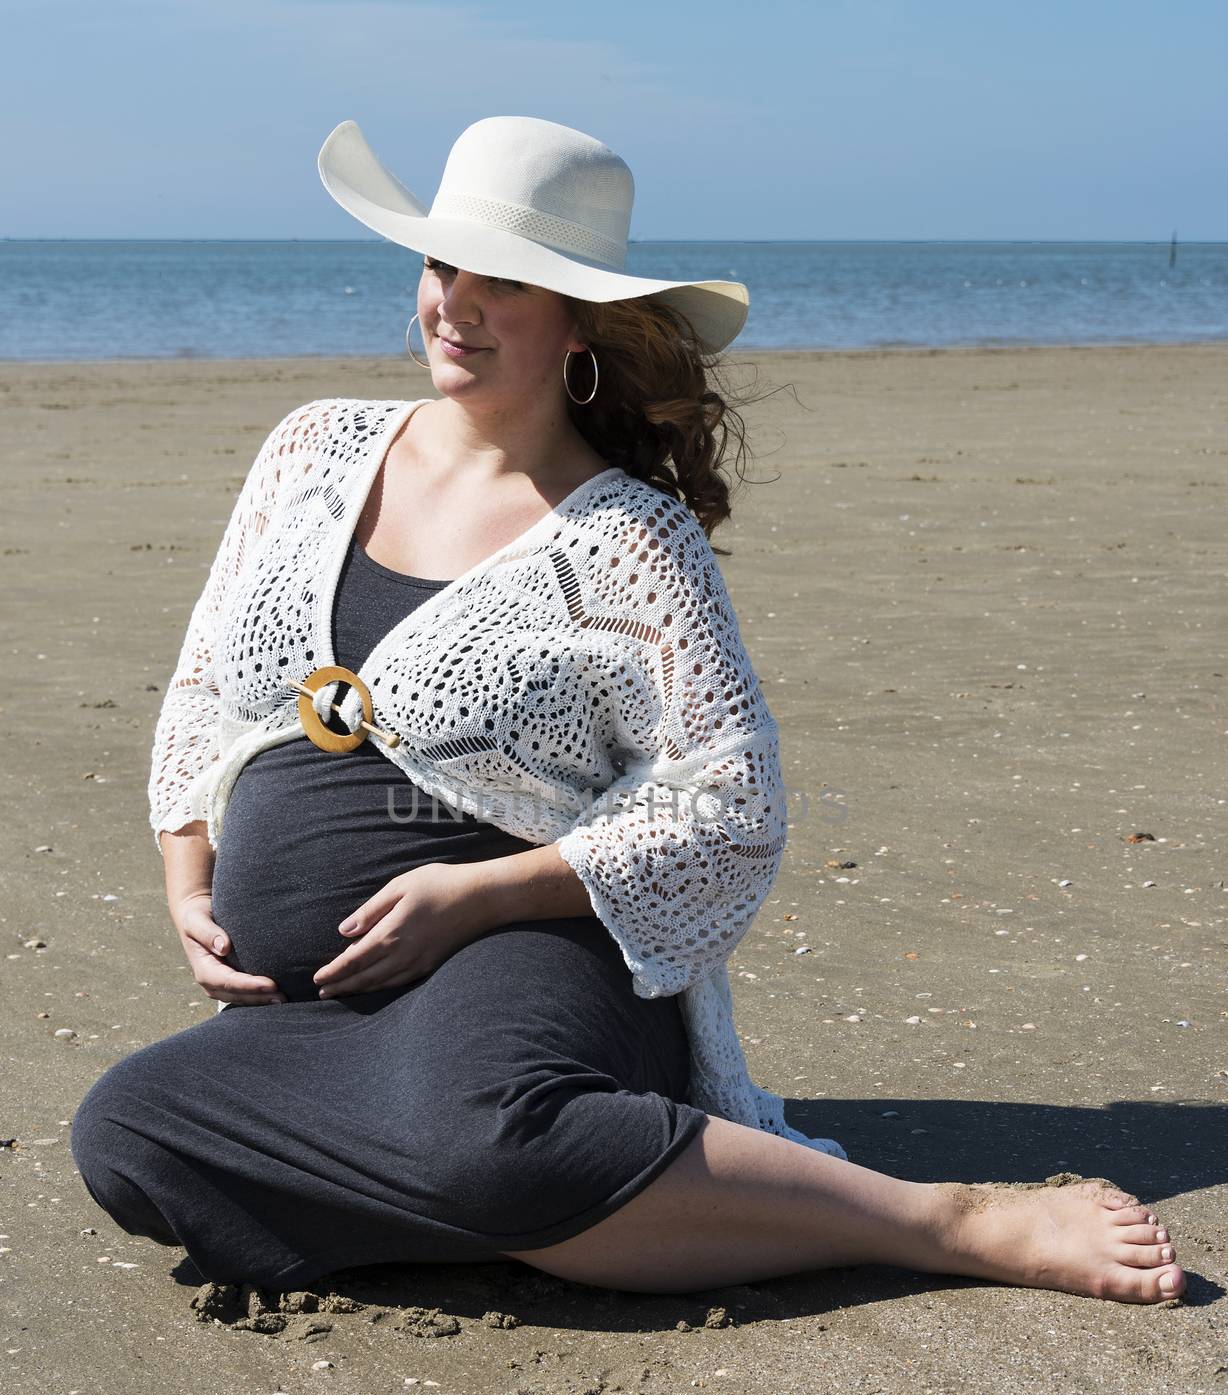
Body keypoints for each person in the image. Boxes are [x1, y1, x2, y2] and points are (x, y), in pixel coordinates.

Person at [69, 117, 1184, 1306]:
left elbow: (731, 801)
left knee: (489, 1136)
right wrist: (185, 872)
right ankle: (584, 1206)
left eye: (505, 282)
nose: (457, 305)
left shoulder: (628, 543)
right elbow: (201, 690)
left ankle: (943, 1224)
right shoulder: (310, 450)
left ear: (579, 325)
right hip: (316, 1012)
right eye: (444, 267)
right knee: (128, 1134)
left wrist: (483, 893)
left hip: (528, 962)